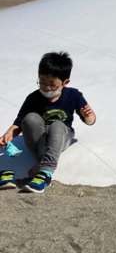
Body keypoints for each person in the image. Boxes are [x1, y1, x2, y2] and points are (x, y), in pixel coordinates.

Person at [0, 51, 96, 193]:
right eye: (42, 82)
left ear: (65, 83)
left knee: (56, 125)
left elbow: (90, 120)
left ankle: (45, 172)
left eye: (52, 84)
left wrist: (88, 116)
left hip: (61, 136)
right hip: (39, 141)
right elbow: (20, 121)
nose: (46, 88)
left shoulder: (73, 95)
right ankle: (39, 163)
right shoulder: (33, 98)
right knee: (30, 118)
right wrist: (9, 134)